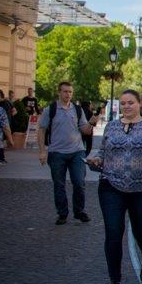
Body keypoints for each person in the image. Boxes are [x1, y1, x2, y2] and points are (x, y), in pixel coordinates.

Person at [88, 89, 142, 284]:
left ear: (139, 103)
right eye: (123, 103)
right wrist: (96, 159)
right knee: (113, 232)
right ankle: (115, 282)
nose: (126, 106)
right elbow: (103, 152)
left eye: (130, 102)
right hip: (110, 185)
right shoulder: (111, 126)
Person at [38, 81, 98, 225]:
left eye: (70, 92)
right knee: (59, 184)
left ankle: (79, 211)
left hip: (77, 152)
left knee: (79, 182)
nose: (68, 94)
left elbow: (85, 130)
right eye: (65, 91)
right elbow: (41, 130)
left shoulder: (77, 110)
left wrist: (91, 123)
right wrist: (42, 151)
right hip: (56, 153)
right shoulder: (50, 109)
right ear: (59, 92)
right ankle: (62, 213)